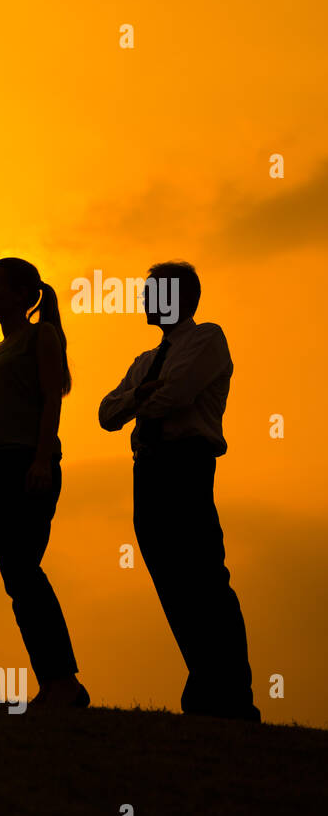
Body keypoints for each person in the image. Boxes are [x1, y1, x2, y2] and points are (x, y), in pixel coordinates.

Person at [98, 261, 259, 721]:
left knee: (204, 578)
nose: (146, 301)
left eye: (154, 292)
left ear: (180, 297)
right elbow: (106, 414)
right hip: (149, 470)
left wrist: (140, 398)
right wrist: (140, 396)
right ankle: (207, 687)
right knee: (172, 581)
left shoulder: (207, 337)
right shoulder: (145, 360)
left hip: (187, 465)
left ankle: (231, 695)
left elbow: (177, 395)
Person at [0, 257, 89, 708]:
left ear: (22, 294)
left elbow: (50, 403)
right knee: (17, 580)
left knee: (24, 573)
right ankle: (55, 681)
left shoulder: (42, 336)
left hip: (29, 465)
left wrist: (41, 459)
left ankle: (63, 680)